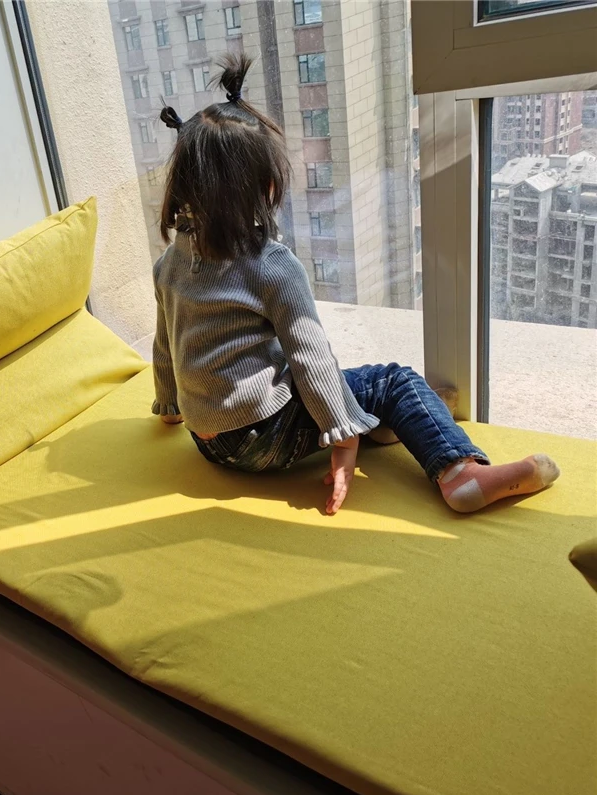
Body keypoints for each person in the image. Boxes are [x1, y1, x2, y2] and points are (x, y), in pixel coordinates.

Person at [150, 53, 559, 515]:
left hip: (211, 442)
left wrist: (169, 405)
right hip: (266, 436)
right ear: (266, 187)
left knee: (351, 388)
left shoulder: (168, 264)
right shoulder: (271, 264)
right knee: (394, 381)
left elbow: (167, 345)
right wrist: (343, 441)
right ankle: (460, 473)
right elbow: (311, 357)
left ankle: (382, 422)